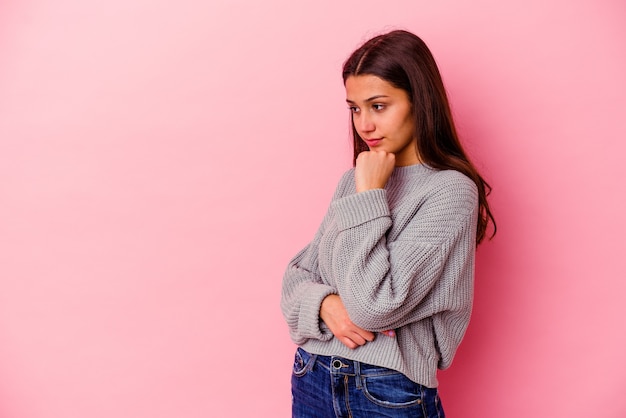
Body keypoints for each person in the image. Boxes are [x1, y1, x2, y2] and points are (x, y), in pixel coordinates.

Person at [281, 29, 496, 418]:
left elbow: (373, 308)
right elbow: (296, 276)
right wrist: (324, 303)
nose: (364, 124)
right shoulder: (355, 179)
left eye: (378, 106)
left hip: (386, 388)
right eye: (354, 108)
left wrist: (369, 195)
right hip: (312, 374)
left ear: (419, 102)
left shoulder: (449, 191)